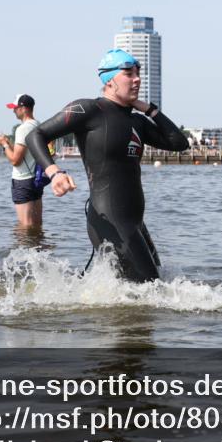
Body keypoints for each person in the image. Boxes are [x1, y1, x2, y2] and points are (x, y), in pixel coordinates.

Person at [26, 49, 189, 282]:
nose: (137, 78)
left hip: (135, 222)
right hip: (109, 219)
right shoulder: (89, 110)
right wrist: (55, 173)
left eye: (138, 72)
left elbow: (179, 143)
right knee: (151, 289)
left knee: (155, 286)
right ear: (109, 80)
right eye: (128, 73)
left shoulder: (137, 121)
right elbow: (36, 135)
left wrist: (149, 109)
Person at [0, 94, 44, 229]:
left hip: (23, 181)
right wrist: (8, 143)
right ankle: (38, 248)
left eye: (15, 108)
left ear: (24, 108)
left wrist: (3, 144)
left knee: (25, 226)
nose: (13, 111)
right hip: (36, 180)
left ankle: (23, 249)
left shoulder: (22, 129)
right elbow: (26, 154)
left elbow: (16, 160)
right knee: (37, 224)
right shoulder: (38, 125)